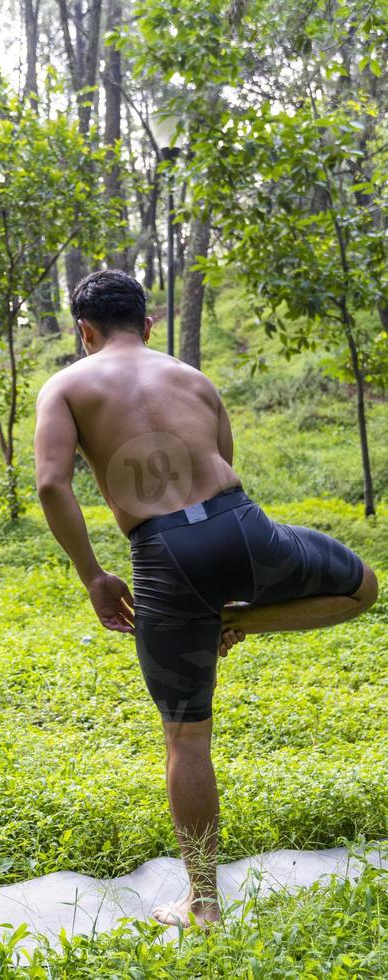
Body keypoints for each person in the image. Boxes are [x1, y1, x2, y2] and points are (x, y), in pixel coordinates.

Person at [33, 269, 378, 929]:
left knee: (187, 740)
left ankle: (205, 906)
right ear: (150, 324)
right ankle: (239, 618)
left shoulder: (67, 385)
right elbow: (222, 459)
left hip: (164, 559)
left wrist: (93, 576)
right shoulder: (193, 378)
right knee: (362, 587)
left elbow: (53, 485)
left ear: (84, 331)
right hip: (242, 527)